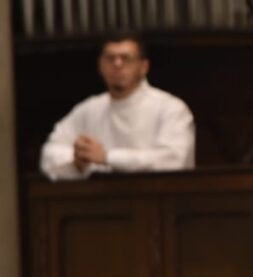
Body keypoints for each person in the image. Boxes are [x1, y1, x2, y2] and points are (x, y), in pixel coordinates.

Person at [39, 33, 195, 180]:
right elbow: (49, 154)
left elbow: (173, 161)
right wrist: (78, 162)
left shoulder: (171, 108)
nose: (117, 64)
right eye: (110, 58)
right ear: (100, 65)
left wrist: (107, 157)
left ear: (143, 66)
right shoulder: (88, 109)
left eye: (126, 58)